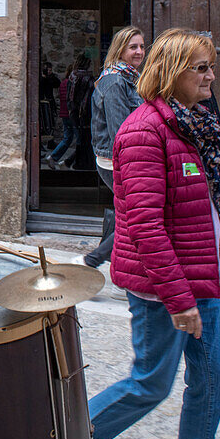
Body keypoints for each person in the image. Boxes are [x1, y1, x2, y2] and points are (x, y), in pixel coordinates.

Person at [88, 28, 220, 439]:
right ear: (172, 72)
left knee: (212, 382)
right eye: (201, 69)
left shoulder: (191, 124)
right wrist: (177, 298)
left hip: (201, 279)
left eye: (212, 68)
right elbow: (145, 224)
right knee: (150, 384)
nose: (210, 78)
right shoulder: (143, 132)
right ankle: (61, 438)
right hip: (164, 290)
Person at [82, 26, 145, 272]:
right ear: (120, 50)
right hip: (115, 162)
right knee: (135, 216)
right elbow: (121, 133)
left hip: (126, 160)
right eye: (133, 47)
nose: (139, 51)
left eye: (141, 46)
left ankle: (112, 264)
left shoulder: (130, 79)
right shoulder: (115, 82)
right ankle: (94, 260)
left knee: (129, 213)